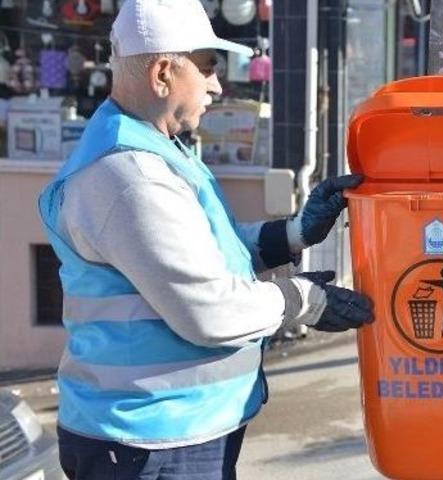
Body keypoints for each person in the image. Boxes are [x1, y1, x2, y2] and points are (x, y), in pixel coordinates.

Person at [36, 1, 372, 478]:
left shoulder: (155, 150)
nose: (217, 85)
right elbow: (208, 310)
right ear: (162, 74)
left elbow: (209, 252)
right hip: (148, 441)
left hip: (168, 433)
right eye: (209, 67)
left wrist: (296, 233)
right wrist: (303, 300)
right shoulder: (130, 176)